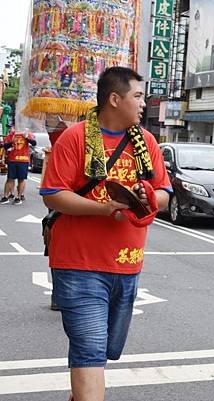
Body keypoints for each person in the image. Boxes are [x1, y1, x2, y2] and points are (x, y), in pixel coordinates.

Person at [40, 66, 172, 401]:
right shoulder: (76, 137)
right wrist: (103, 208)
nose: (144, 103)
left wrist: (146, 196)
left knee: (102, 353)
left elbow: (164, 194)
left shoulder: (147, 142)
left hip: (127, 267)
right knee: (89, 351)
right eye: (138, 96)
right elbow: (53, 193)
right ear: (115, 99)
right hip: (78, 266)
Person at [1, 125, 36, 204]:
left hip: (23, 160)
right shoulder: (12, 134)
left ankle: (18, 197)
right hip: (12, 159)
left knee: (21, 179)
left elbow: (34, 143)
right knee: (10, 178)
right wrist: (12, 142)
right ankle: (5, 197)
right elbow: (5, 146)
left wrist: (26, 137)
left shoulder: (27, 133)